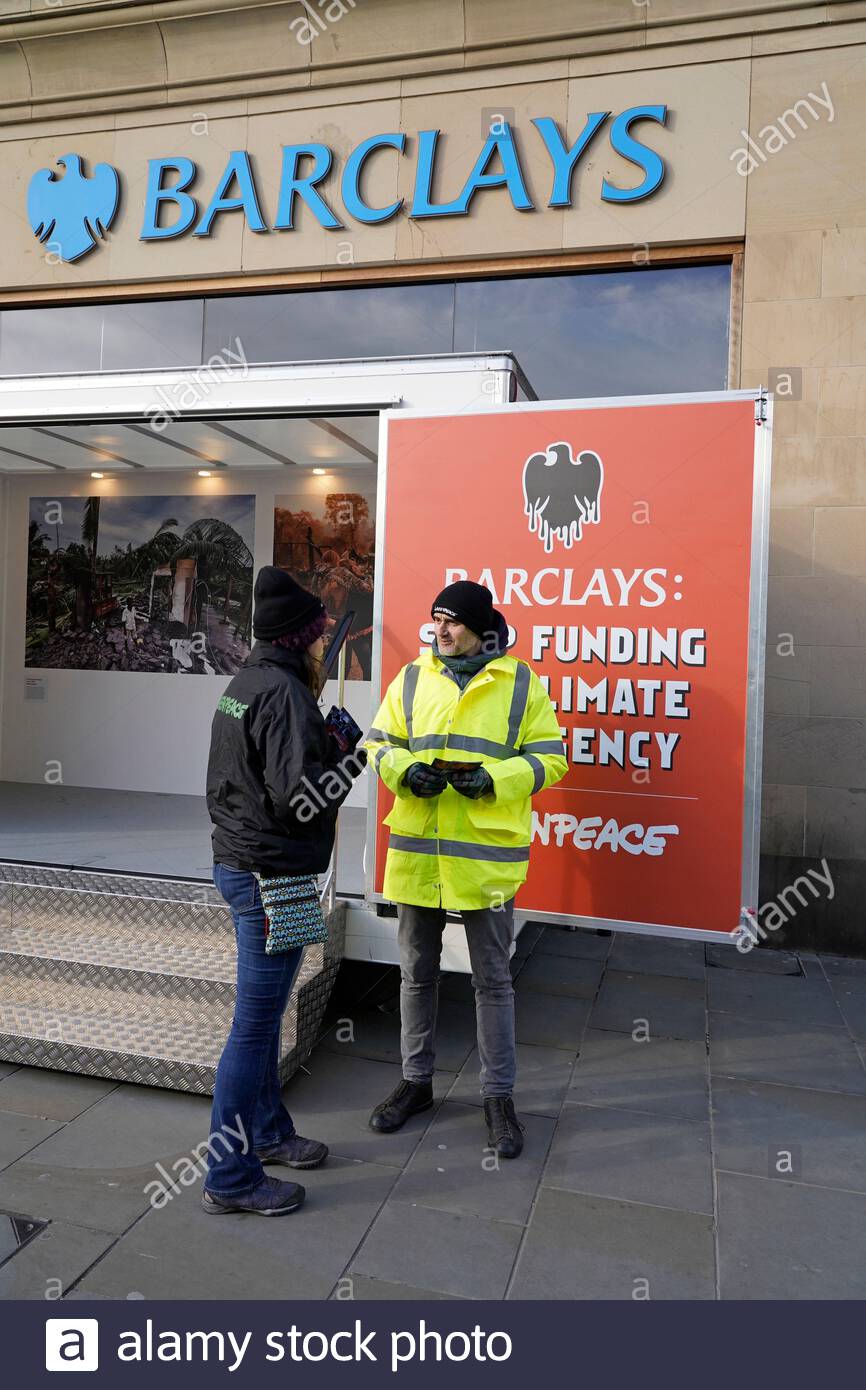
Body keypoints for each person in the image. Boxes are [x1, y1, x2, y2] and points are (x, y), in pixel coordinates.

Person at [365, 580, 568, 1159]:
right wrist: (404, 771)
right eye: (436, 620)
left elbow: (551, 758)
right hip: (417, 855)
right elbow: (377, 744)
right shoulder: (411, 677)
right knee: (416, 974)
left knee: (493, 982)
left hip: (486, 863)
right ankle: (415, 1083)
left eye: (452, 621)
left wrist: (493, 780)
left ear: (483, 629)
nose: (441, 631)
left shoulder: (521, 683)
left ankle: (499, 1100)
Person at [202, 566, 365, 1216]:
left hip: (251, 866)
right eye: (321, 634)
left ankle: (267, 1134)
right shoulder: (286, 697)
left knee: (266, 1019)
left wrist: (319, 748)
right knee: (253, 1027)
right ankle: (230, 1176)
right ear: (303, 638)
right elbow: (303, 802)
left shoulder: (246, 684)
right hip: (274, 876)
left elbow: (254, 778)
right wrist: (346, 762)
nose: (326, 643)